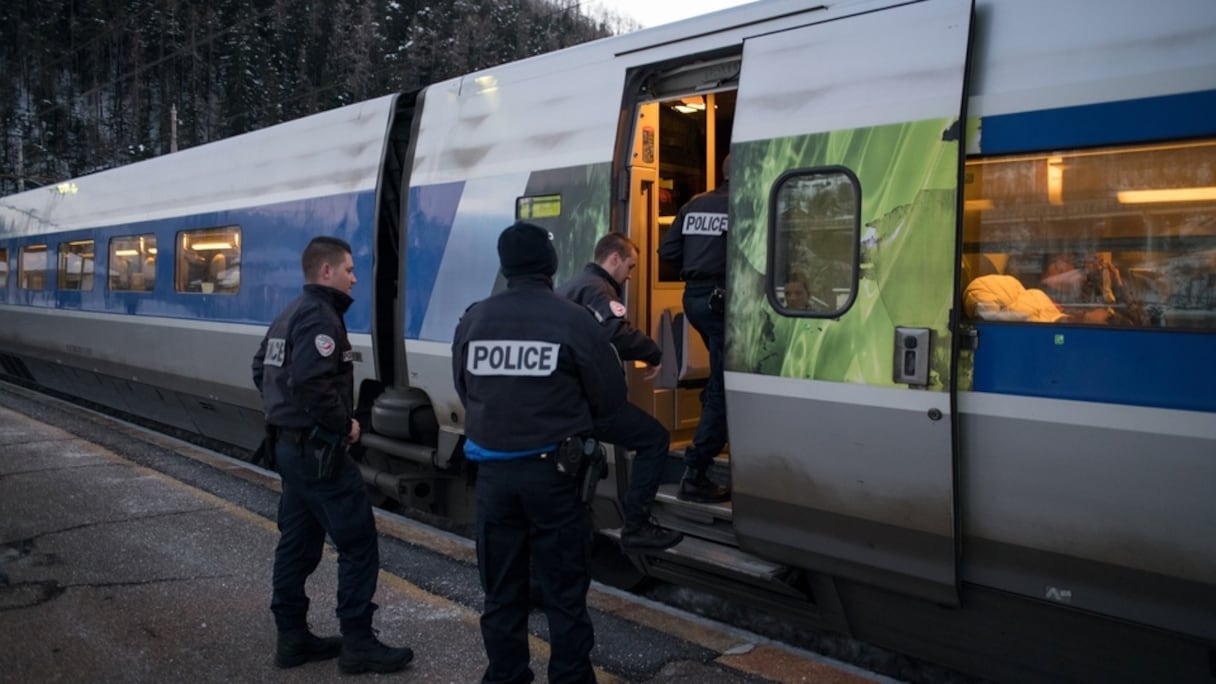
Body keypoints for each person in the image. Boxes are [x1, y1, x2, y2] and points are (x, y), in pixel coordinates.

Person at [452, 221, 628, 684]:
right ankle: (570, 676)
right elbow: (609, 396)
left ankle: (506, 675)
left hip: (492, 479)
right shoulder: (572, 319)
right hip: (555, 477)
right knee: (564, 591)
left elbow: (465, 388)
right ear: (550, 266)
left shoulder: (474, 319)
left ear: (505, 265)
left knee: (502, 590)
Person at [251, 236, 413, 675]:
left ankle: (292, 638)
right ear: (327, 272)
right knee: (358, 543)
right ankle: (358, 643)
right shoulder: (321, 318)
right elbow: (311, 383)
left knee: (298, 543)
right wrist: (344, 425)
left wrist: (285, 415)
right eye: (348, 269)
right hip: (318, 453)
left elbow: (259, 367)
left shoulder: (288, 314)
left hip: (288, 448)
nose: (355, 277)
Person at [557, 232, 683, 550]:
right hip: (590, 403)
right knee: (654, 439)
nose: (630, 275)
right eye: (630, 266)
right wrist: (653, 352)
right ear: (614, 259)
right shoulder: (599, 290)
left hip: (568, 399)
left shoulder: (572, 286)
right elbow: (615, 332)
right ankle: (636, 525)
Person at [657, 155, 732, 504]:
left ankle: (710, 420)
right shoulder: (741, 204)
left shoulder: (693, 204)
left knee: (719, 376)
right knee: (722, 385)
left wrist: (698, 261)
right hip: (723, 300)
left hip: (695, 299)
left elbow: (668, 249)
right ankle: (696, 470)